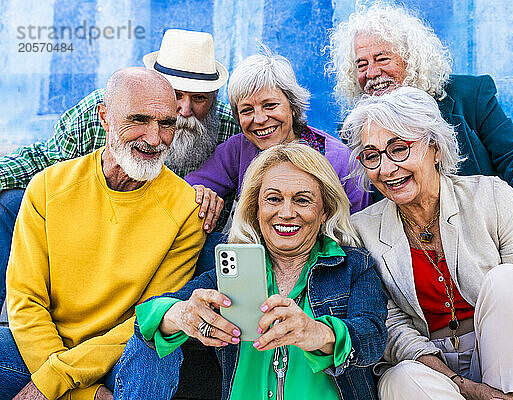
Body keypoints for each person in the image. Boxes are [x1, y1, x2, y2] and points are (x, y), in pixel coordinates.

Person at [328, 3, 513, 375]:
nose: (372, 73)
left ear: (411, 57)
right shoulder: (361, 124)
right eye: (361, 64)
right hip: (410, 237)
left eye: (382, 59)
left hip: (483, 225)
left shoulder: (467, 95)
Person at [345, 88, 513, 400]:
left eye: (399, 148)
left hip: (507, 352)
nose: (386, 169)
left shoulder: (492, 196)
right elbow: (392, 328)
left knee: (511, 281)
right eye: (372, 156)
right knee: (400, 379)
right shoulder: (362, 230)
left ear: (436, 148)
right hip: (428, 366)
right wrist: (466, 387)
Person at [112, 143, 388, 400]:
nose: (287, 212)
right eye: (273, 199)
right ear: (256, 208)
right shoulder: (231, 269)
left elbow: (373, 337)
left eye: (302, 200)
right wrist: (181, 315)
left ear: (325, 211)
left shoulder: (353, 266)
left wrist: (317, 333)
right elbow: (146, 319)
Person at [0, 67, 204, 400]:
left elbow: (148, 316)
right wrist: (78, 393)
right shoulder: (48, 188)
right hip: (45, 351)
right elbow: (26, 302)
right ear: (104, 117)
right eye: (139, 120)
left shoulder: (185, 209)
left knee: (156, 352)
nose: (155, 138)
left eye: (166, 123)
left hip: (121, 357)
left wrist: (54, 381)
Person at [0, 29, 239, 309]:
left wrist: (204, 196)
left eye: (199, 98)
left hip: (169, 247)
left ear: (214, 98)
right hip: (92, 233)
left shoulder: (226, 128)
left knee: (219, 250)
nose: (184, 110)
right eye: (176, 94)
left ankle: (177, 333)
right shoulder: (101, 110)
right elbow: (45, 158)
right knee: (9, 204)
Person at [185, 52, 371, 218]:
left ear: (293, 107)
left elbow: (355, 228)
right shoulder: (239, 149)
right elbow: (189, 188)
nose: (259, 119)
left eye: (270, 106)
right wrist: (201, 192)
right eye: (247, 110)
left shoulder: (339, 159)